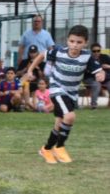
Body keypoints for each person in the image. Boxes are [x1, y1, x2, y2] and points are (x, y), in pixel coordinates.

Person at [25, 25, 105, 164]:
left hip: (71, 93)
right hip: (57, 89)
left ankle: (46, 149)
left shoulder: (87, 57)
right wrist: (30, 70)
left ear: (85, 43)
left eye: (79, 42)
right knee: (70, 116)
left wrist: (100, 74)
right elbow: (41, 55)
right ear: (67, 40)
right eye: (72, 41)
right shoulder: (58, 51)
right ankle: (60, 146)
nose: (75, 45)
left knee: (59, 123)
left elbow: (98, 70)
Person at [82, 43, 110, 109]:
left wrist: (108, 66)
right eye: (94, 51)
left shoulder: (105, 57)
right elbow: (86, 71)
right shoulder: (88, 58)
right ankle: (93, 105)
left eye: (98, 51)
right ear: (91, 51)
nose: (96, 53)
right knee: (96, 84)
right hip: (90, 78)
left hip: (105, 78)